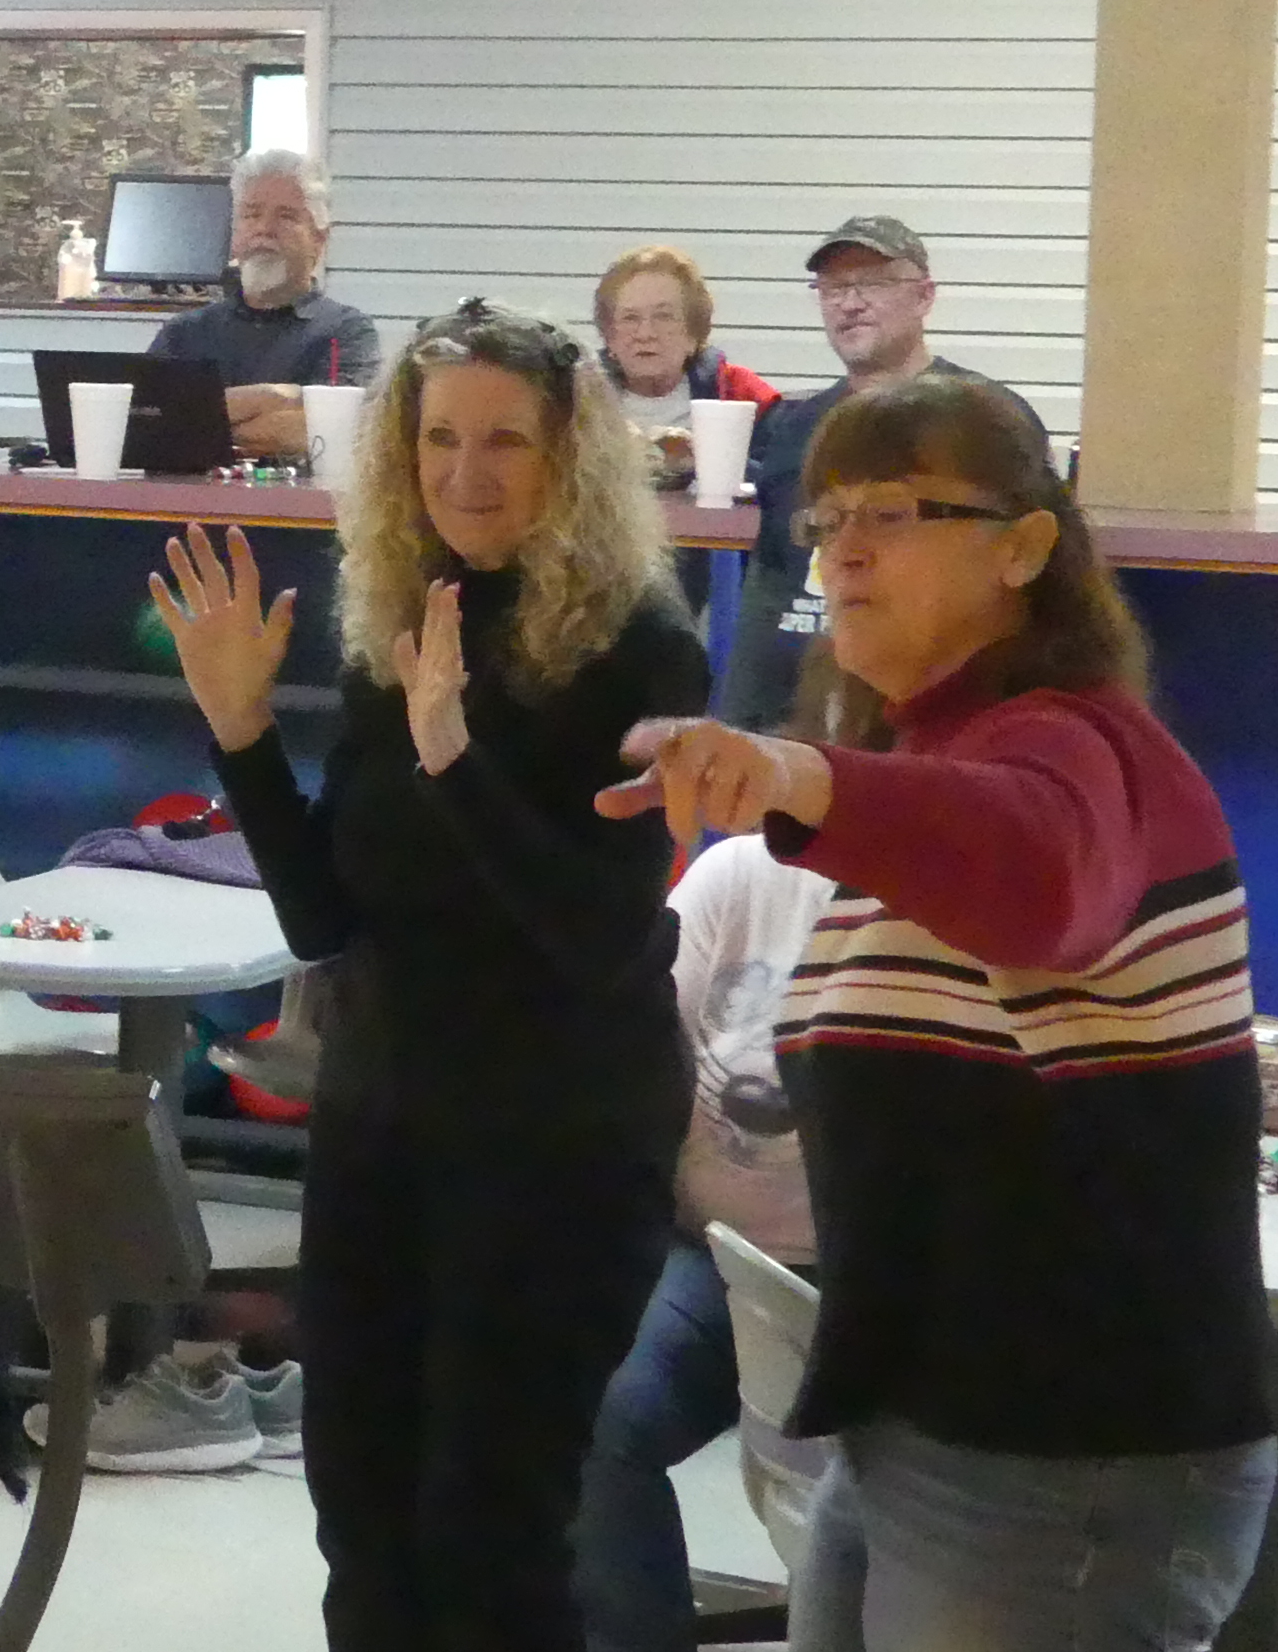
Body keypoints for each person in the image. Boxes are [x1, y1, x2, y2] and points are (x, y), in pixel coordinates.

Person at [602, 373, 1274, 1651]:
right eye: (828, 517)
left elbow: (1036, 877)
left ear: (1023, 547)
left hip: (1069, 1451)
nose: (844, 548)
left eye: (898, 511)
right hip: (936, 1422)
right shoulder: (939, 759)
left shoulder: (1080, 745)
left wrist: (796, 775)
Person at [149, 298, 705, 1649]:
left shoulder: (641, 648)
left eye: (506, 440)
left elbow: (594, 933)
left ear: (570, 456)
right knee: (360, 1513)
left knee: (486, 1533)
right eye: (440, 437)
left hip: (560, 1142)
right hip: (386, 1123)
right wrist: (238, 732)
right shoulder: (404, 620)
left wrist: (455, 758)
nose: (467, 471)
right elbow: (326, 919)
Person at [568, 832, 837, 1652]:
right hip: (714, 1256)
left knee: (874, 1502)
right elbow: (637, 1066)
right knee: (595, 1408)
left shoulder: (952, 903)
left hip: (880, 1285)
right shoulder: (739, 876)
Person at [714, 215, 1037, 728]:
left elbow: (1024, 595)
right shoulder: (794, 429)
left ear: (924, 296)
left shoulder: (985, 423)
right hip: (799, 723)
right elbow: (771, 586)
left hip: (934, 717)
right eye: (833, 288)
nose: (850, 302)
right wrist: (738, 721)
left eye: (873, 283)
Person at [146, 149, 383, 461]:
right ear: (234, 234)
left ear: (319, 240)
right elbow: (147, 424)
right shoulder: (184, 334)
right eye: (251, 214)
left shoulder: (347, 333)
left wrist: (194, 422)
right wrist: (277, 396)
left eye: (286, 216)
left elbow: (327, 429)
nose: (264, 229)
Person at [590, 243, 780, 478]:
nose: (645, 333)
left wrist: (705, 458)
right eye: (630, 318)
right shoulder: (576, 397)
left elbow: (784, 483)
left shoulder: (742, 393)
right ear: (609, 336)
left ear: (694, 333)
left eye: (663, 317)